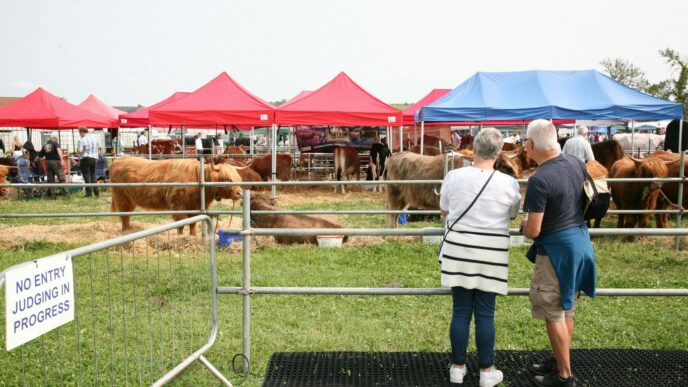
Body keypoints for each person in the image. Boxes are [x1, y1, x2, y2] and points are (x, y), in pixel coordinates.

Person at [439, 128, 521, 386]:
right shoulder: (509, 183)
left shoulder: (454, 176)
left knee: (460, 310)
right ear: (498, 153)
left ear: (473, 148)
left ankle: (457, 367)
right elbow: (513, 215)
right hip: (491, 253)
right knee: (486, 313)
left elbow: (444, 210)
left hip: (459, 250)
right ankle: (486, 371)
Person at [521, 119, 597, 386]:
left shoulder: (539, 179)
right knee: (567, 309)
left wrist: (523, 225)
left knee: (554, 312)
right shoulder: (576, 163)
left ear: (531, 145)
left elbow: (533, 230)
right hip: (580, 243)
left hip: (556, 252)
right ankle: (559, 359)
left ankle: (564, 376)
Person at [76, 126, 100, 197]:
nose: (80, 134)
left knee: (87, 176)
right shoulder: (94, 139)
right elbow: (97, 149)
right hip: (94, 158)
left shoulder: (82, 140)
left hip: (85, 158)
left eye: (80, 133)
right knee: (93, 175)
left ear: (82, 132)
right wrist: (96, 157)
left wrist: (79, 151)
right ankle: (96, 192)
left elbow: (79, 151)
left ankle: (89, 193)